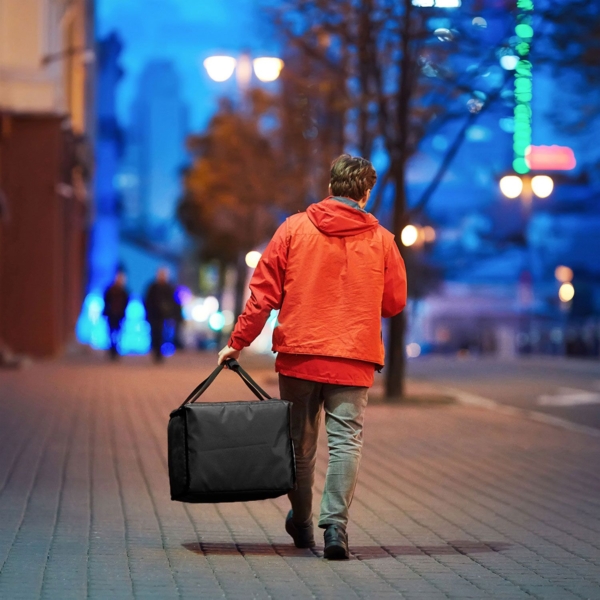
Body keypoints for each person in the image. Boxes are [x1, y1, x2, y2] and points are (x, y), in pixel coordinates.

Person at [218, 154, 407, 559]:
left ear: (330, 187)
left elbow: (263, 294)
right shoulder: (383, 241)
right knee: (346, 443)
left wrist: (238, 341)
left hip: (300, 354)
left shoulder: (293, 229)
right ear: (366, 193)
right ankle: (335, 528)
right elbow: (393, 302)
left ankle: (301, 524)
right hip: (354, 357)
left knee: (299, 445)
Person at [144, 267, 180, 363]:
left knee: (162, 335)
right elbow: (147, 301)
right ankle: (155, 352)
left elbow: (174, 303)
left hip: (164, 317)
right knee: (154, 334)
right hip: (154, 316)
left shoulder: (169, 288)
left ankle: (160, 354)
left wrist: (172, 315)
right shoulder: (152, 287)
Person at [103, 272, 130, 360]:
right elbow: (106, 302)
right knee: (111, 332)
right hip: (111, 314)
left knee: (118, 333)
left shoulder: (124, 291)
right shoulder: (110, 291)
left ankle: (116, 349)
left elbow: (126, 303)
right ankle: (112, 349)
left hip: (119, 315)